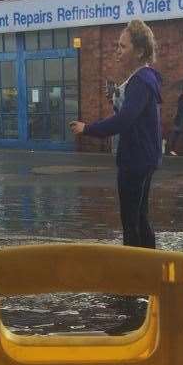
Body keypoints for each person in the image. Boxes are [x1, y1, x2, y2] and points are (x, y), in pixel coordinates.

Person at [71, 19, 162, 249]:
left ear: (140, 51)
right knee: (140, 216)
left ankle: (134, 274)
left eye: (123, 46)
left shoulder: (141, 81)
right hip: (142, 158)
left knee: (131, 221)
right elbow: (132, 115)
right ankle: (149, 268)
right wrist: (115, 98)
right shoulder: (143, 78)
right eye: (117, 46)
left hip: (136, 160)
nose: (118, 51)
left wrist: (87, 128)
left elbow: (124, 121)